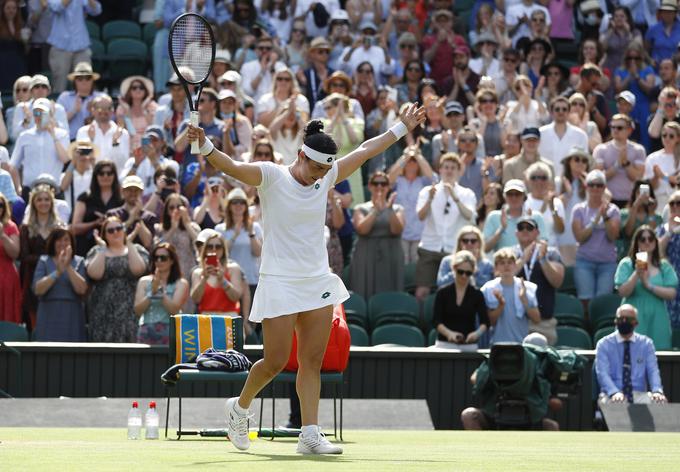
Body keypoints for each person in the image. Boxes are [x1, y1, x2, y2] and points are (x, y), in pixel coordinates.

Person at [186, 100, 424, 453]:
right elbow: (232, 166)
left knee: (312, 359)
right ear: (300, 155)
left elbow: (363, 150)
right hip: (279, 281)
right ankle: (239, 408)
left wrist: (402, 128)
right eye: (314, 167)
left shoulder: (326, 173)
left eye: (323, 170)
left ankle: (309, 434)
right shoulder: (271, 175)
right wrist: (204, 144)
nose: (318, 176)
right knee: (276, 361)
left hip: (316, 280)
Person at [414, 153, 477, 301]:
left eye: (453, 168)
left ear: (458, 171)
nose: (449, 171)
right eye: (446, 167)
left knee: (451, 293)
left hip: (453, 250)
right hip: (429, 248)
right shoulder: (427, 191)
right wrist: (430, 198)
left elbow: (470, 216)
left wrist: (455, 197)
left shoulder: (466, 194)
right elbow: (420, 216)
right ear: (440, 170)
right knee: (422, 292)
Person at [85, 216, 148, 342]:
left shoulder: (136, 249)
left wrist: (129, 243)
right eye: (110, 230)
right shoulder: (96, 251)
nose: (115, 232)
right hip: (102, 308)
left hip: (130, 308)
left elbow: (138, 270)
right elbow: (95, 274)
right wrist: (102, 247)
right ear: (104, 234)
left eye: (119, 228)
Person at [615, 226, 677, 351]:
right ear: (636, 242)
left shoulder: (663, 265)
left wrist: (649, 286)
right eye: (642, 239)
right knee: (632, 351)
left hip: (658, 316)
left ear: (655, 241)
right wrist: (636, 274)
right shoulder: (627, 264)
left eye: (651, 238)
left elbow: (672, 294)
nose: (647, 242)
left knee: (659, 354)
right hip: (634, 316)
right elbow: (622, 291)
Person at [349, 171, 405, 300]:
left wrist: (389, 210)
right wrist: (376, 210)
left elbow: (397, 230)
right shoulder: (360, 208)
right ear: (369, 186)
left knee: (391, 291)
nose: (379, 187)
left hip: (391, 253)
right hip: (366, 255)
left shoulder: (397, 209)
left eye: (383, 184)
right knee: (363, 289)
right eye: (375, 183)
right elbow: (362, 229)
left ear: (388, 186)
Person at [595, 304, 667, 405]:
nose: (624, 321)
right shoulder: (604, 344)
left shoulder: (646, 344)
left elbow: (653, 371)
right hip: (611, 395)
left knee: (660, 402)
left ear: (636, 322)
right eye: (621, 318)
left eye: (628, 319)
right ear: (615, 321)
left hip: (639, 394)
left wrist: (657, 391)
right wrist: (614, 392)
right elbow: (602, 373)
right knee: (617, 404)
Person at [572, 170, 621, 313]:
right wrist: (596, 219)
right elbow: (580, 237)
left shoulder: (613, 210)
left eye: (599, 185)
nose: (595, 188)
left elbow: (613, 236)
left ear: (604, 187)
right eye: (592, 185)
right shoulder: (579, 210)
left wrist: (605, 217)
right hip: (584, 262)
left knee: (602, 303)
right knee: (585, 301)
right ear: (586, 187)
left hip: (607, 263)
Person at [512, 216, 564, 345]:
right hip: (515, 321)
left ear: (537, 233)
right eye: (521, 228)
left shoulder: (551, 253)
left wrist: (542, 259)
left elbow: (557, 281)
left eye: (529, 228)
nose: (525, 231)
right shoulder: (510, 254)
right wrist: (523, 259)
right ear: (516, 233)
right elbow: (501, 278)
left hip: (543, 323)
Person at [19, 184, 64, 330]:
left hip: (55, 274)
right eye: (39, 200)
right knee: (34, 321)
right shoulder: (26, 228)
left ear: (52, 202)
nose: (43, 203)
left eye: (47, 199)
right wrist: (46, 260)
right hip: (32, 276)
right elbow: (24, 256)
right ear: (33, 203)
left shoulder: (59, 227)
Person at [32, 227, 87, 341]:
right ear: (53, 242)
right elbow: (38, 289)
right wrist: (57, 272)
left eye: (66, 240)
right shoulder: (44, 260)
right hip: (48, 313)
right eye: (59, 240)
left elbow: (82, 289)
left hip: (72, 314)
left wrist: (67, 266)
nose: (63, 243)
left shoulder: (79, 261)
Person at [10, 98, 70, 200]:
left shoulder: (62, 134)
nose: (39, 116)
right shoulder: (25, 135)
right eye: (36, 113)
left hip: (54, 189)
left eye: (43, 113)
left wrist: (53, 136)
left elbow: (65, 159)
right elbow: (13, 165)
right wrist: (18, 188)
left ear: (50, 114)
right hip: (29, 189)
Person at [481, 248, 541, 344]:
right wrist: (500, 305)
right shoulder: (488, 289)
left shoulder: (527, 287)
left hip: (521, 345)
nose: (506, 266)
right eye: (502, 263)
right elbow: (489, 322)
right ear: (496, 267)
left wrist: (524, 300)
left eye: (510, 262)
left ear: (515, 265)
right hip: (497, 345)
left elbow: (537, 319)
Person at [433, 250, 489, 350]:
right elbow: (436, 321)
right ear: (454, 269)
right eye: (460, 272)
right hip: (444, 345)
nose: (464, 276)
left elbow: (485, 322)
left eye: (468, 273)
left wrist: (476, 334)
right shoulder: (442, 293)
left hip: (469, 346)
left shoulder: (477, 294)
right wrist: (449, 334)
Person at [134, 242, 189, 344]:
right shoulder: (144, 281)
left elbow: (174, 309)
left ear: (172, 260)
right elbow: (138, 310)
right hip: (146, 329)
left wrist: (159, 291)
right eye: (156, 257)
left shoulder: (181, 283)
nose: (159, 261)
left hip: (170, 330)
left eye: (163, 258)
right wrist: (151, 293)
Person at [387, 147, 434, 264]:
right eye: (409, 161)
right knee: (401, 264)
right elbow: (389, 178)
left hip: (420, 231)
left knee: (417, 266)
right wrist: (406, 157)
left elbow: (431, 177)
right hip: (401, 232)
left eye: (414, 161)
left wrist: (417, 155)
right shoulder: (398, 181)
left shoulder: (423, 181)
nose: (411, 163)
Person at [215, 187, 263, 302]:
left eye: (242, 202)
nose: (238, 205)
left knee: (249, 319)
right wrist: (234, 235)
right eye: (234, 202)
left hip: (251, 279)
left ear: (246, 206)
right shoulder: (220, 229)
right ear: (229, 206)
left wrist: (251, 233)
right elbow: (219, 253)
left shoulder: (255, 227)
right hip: (228, 280)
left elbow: (258, 253)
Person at [46, 0, 101, 93]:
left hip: (81, 45)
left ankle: (85, 105)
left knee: (85, 80)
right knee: (59, 84)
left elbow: (97, 10)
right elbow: (57, 7)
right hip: (61, 46)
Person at [71, 160, 123, 257]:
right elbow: (75, 227)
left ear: (114, 176)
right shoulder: (85, 197)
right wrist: (95, 223)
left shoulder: (121, 198)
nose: (105, 176)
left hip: (116, 247)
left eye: (109, 173)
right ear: (96, 176)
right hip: (88, 246)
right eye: (101, 173)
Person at [592, 114, 645, 208]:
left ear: (629, 130)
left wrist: (626, 164)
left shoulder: (638, 150)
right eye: (612, 127)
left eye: (619, 128)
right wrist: (617, 165)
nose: (615, 130)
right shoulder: (600, 149)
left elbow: (638, 178)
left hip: (630, 201)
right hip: (606, 201)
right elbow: (598, 179)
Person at [483, 179, 546, 253]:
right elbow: (485, 248)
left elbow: (543, 247)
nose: (514, 198)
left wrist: (530, 228)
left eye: (518, 194)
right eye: (510, 194)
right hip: (504, 263)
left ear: (524, 197)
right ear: (504, 197)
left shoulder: (536, 217)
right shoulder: (494, 216)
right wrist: (501, 229)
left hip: (529, 263)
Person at [120, 124, 180, 199]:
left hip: (160, 201)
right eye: (148, 140)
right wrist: (136, 164)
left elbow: (170, 183)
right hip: (137, 202)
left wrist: (153, 160)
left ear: (162, 142)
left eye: (154, 140)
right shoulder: (132, 161)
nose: (151, 143)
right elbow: (123, 184)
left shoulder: (170, 164)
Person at [190, 232, 243, 314]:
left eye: (218, 247)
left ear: (223, 250)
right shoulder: (198, 272)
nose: (214, 249)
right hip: (206, 319)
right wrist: (204, 279)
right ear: (205, 249)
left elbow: (236, 297)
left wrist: (223, 280)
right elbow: (196, 299)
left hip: (229, 317)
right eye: (210, 246)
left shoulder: (233, 268)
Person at [76, 94, 130, 172]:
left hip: (114, 179)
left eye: (108, 108)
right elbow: (82, 161)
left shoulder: (123, 133)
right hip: (90, 180)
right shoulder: (83, 131)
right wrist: (92, 140)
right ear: (92, 110)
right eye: (99, 108)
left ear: (112, 111)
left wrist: (115, 143)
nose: (104, 111)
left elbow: (123, 163)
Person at [557, 147, 592, 266]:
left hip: (586, 238)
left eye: (584, 161)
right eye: (576, 159)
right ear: (569, 162)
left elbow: (605, 200)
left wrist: (591, 186)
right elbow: (555, 208)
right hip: (564, 238)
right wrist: (568, 193)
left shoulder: (592, 184)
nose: (580, 163)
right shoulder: (558, 182)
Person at [538, 97, 589, 176]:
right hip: (545, 181)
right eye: (557, 109)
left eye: (564, 109)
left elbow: (584, 163)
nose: (561, 112)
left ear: (569, 112)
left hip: (570, 183)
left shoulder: (580, 135)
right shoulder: (541, 133)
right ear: (551, 112)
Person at [154, 192, 200, 282]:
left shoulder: (193, 227)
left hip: (188, 270)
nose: (175, 210)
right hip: (167, 272)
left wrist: (187, 224)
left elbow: (200, 245)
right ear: (167, 211)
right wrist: (172, 229)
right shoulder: (160, 229)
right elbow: (156, 247)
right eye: (171, 207)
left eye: (178, 207)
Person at [106, 175, 157, 250]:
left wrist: (138, 218)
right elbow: (112, 238)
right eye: (129, 190)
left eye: (136, 190)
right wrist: (130, 220)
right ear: (122, 191)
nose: (133, 193)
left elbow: (147, 243)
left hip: (142, 258)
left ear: (142, 192)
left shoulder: (149, 217)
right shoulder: (112, 214)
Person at [57, 62, 103, 140]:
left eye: (88, 78)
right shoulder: (64, 97)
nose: (84, 81)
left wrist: (94, 114)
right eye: (80, 78)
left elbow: (109, 122)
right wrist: (73, 111)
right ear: (74, 81)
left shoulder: (101, 98)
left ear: (92, 80)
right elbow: (57, 123)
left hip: (96, 140)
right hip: (71, 141)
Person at [524, 161, 565, 247]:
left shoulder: (557, 202)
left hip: (551, 250)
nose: (539, 181)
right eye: (534, 177)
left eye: (543, 178)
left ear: (549, 181)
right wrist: (543, 206)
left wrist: (553, 209)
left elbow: (561, 230)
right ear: (528, 181)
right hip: (530, 250)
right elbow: (528, 229)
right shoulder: (524, 202)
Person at [618, 181, 662, 260]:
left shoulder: (657, 217)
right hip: (629, 257)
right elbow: (628, 232)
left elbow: (652, 236)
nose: (642, 196)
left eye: (646, 192)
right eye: (639, 193)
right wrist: (635, 206)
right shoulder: (624, 214)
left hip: (650, 259)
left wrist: (651, 213)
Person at [115, 75, 158, 151]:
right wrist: (127, 111)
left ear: (145, 90)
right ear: (129, 91)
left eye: (141, 87)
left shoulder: (153, 106)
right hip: (130, 147)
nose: (138, 90)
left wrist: (144, 108)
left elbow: (153, 128)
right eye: (134, 88)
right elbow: (127, 132)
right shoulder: (122, 108)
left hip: (149, 146)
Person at [645, 121, 680, 212]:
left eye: (671, 136)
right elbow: (650, 187)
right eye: (664, 135)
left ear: (678, 138)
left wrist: (663, 177)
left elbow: (676, 181)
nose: (667, 138)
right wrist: (656, 177)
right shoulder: (652, 158)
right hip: (657, 203)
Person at [658, 190, 680, 329]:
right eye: (672, 204)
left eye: (679, 203)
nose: (675, 207)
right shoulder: (662, 229)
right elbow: (657, 252)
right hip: (670, 278)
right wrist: (670, 231)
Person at [0, 192, 21, 324]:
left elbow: (15, 253)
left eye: (0, 205)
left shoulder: (11, 226)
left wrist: (2, 235)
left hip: (6, 277)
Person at [60, 141, 95, 214]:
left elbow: (99, 179)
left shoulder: (93, 174)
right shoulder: (67, 175)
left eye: (86, 151)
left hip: (90, 213)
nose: (83, 154)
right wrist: (73, 160)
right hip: (72, 213)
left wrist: (92, 161)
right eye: (80, 151)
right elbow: (63, 187)